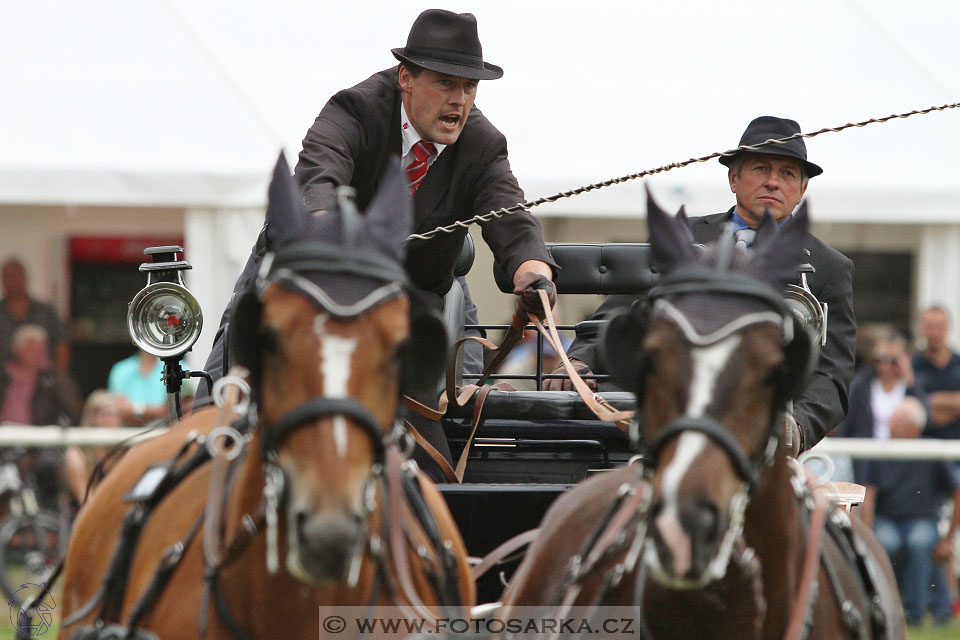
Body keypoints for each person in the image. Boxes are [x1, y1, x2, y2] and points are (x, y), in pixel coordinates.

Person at [199, 10, 557, 481]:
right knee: (211, 430)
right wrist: (336, 243)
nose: (460, 100)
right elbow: (316, 180)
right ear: (406, 78)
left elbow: (511, 217)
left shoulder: (482, 144)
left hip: (400, 320)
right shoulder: (355, 110)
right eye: (447, 83)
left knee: (430, 469)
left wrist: (534, 274)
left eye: (470, 87)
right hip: (302, 296)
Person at [549, 116, 856, 455]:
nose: (773, 182)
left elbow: (832, 376)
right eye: (760, 168)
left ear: (802, 189)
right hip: (672, 415)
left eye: (787, 174)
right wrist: (576, 360)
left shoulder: (829, 267)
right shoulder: (683, 239)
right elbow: (619, 312)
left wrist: (795, 427)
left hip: (760, 436)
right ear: (733, 178)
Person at [857, 395, 960, 626]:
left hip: (922, 520)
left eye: (898, 421)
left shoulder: (932, 451)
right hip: (886, 520)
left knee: (920, 542)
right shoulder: (880, 451)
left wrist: (949, 538)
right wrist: (866, 533)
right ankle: (882, 606)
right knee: (885, 543)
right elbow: (869, 494)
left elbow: (957, 491)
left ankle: (915, 613)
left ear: (914, 428)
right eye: (892, 420)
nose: (891, 425)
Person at [835, 332, 924, 478]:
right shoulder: (861, 384)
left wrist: (910, 380)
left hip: (903, 458)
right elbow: (847, 423)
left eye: (893, 360)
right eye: (880, 359)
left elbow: (924, 418)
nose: (886, 365)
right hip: (867, 457)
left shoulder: (911, 386)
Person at [0, 324, 80, 427]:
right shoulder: (3, 375)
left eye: (41, 347)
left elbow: (70, 410)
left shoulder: (55, 379)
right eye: (32, 348)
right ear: (17, 349)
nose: (38, 352)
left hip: (41, 437)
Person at [0, 257, 69, 372]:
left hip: (43, 379)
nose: (13, 281)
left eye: (17, 276)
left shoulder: (46, 311)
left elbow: (61, 345)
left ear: (25, 278)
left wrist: (58, 376)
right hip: (3, 381)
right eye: (8, 277)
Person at [108, 349, 192, 425]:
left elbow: (179, 409)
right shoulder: (120, 369)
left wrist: (134, 410)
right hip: (127, 432)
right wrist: (159, 410)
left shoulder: (180, 367)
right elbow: (121, 410)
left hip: (168, 432)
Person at [913, 306, 960, 440]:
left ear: (948, 328)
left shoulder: (958, 363)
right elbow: (919, 409)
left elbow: (927, 405)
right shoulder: (914, 365)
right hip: (924, 447)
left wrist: (934, 401)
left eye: (939, 326)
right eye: (929, 326)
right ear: (921, 329)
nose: (934, 332)